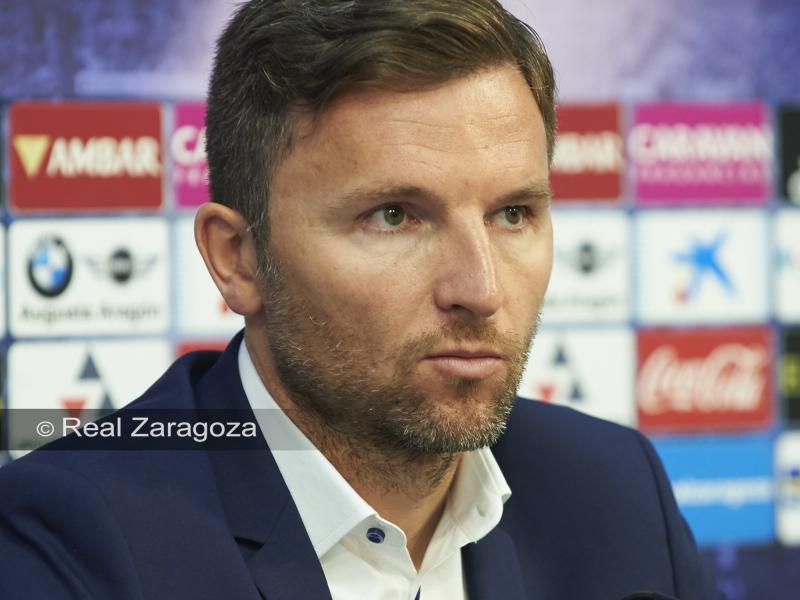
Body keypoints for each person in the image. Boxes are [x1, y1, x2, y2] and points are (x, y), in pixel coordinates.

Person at [0, 1, 721, 598]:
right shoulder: (74, 541)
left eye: (512, 214)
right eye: (394, 216)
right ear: (237, 258)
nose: (481, 289)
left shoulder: (617, 491)